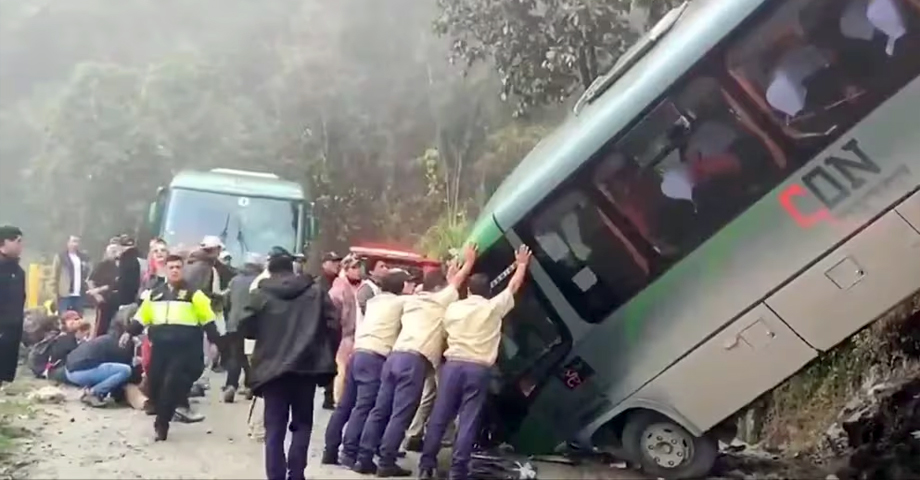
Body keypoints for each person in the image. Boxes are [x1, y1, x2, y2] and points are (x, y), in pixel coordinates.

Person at [355, 245, 477, 476]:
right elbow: (456, 283)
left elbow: (449, 283)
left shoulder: (411, 301)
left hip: (394, 357)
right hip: (413, 362)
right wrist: (468, 263)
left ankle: (364, 457)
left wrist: (450, 272)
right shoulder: (438, 302)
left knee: (380, 410)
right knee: (401, 413)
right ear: (440, 290)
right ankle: (386, 462)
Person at [418, 246, 532, 480]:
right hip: (478, 370)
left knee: (440, 415)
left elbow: (451, 288)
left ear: (468, 290)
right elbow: (513, 287)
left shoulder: (453, 308)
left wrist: (459, 269)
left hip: (452, 367)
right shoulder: (492, 308)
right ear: (488, 291)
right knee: (469, 419)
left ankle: (426, 465)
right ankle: (458, 471)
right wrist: (521, 265)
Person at [239, 250, 339, 480]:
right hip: (307, 367)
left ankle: (275, 475)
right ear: (293, 268)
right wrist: (324, 353)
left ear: (270, 270)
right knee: (302, 424)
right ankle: (297, 474)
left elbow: (244, 326)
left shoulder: (261, 295)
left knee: (274, 428)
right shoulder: (315, 292)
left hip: (272, 371)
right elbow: (334, 326)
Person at [121, 254, 220, 441]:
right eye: (171, 267)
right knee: (156, 382)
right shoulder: (155, 294)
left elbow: (208, 320)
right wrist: (129, 332)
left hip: (184, 348)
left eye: (178, 267)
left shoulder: (194, 294)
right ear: (165, 270)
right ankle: (164, 412)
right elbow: (142, 317)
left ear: (183, 270)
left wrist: (215, 343)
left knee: (171, 383)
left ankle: (162, 424)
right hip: (160, 347)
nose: (174, 270)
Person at [322, 270, 411, 467]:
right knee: (364, 407)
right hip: (375, 358)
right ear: (401, 287)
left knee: (345, 405)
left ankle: (330, 451)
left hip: (359, 353)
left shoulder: (374, 301)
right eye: (408, 283)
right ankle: (350, 452)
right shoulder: (401, 303)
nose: (411, 287)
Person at [65, 318, 136, 407]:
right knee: (126, 370)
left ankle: (89, 391)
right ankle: (93, 393)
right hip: (81, 372)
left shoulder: (104, 339)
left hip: (69, 371)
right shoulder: (119, 344)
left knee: (102, 368)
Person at [222, 252, 264, 402]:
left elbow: (226, 301)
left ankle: (231, 385)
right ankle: (250, 385)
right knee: (253, 356)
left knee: (236, 356)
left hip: (234, 324)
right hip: (253, 325)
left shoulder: (234, 280)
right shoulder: (261, 281)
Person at [328, 256, 362, 407]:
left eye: (359, 267)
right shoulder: (339, 287)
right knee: (342, 368)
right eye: (354, 268)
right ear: (346, 269)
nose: (358, 271)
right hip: (345, 334)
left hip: (357, 333)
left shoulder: (361, 286)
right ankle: (338, 399)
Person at [0, 226, 25, 388]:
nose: (20, 246)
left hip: (12, 328)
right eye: (17, 241)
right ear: (3, 243)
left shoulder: (19, 271)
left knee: (4, 370)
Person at [51, 235, 91, 315]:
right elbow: (54, 276)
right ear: (68, 243)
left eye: (77, 242)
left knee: (78, 320)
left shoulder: (83, 258)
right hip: (65, 294)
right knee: (64, 319)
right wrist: (54, 294)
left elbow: (88, 273)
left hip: (79, 294)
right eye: (73, 241)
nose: (75, 244)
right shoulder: (60, 257)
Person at [88, 244, 121, 336]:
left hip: (116, 300)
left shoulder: (122, 266)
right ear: (107, 253)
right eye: (112, 251)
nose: (115, 254)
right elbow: (90, 280)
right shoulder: (102, 265)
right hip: (104, 300)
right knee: (101, 325)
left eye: (116, 251)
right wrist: (97, 295)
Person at [115, 235, 141, 309]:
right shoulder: (141, 256)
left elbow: (123, 280)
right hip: (139, 297)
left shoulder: (125, 258)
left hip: (126, 298)